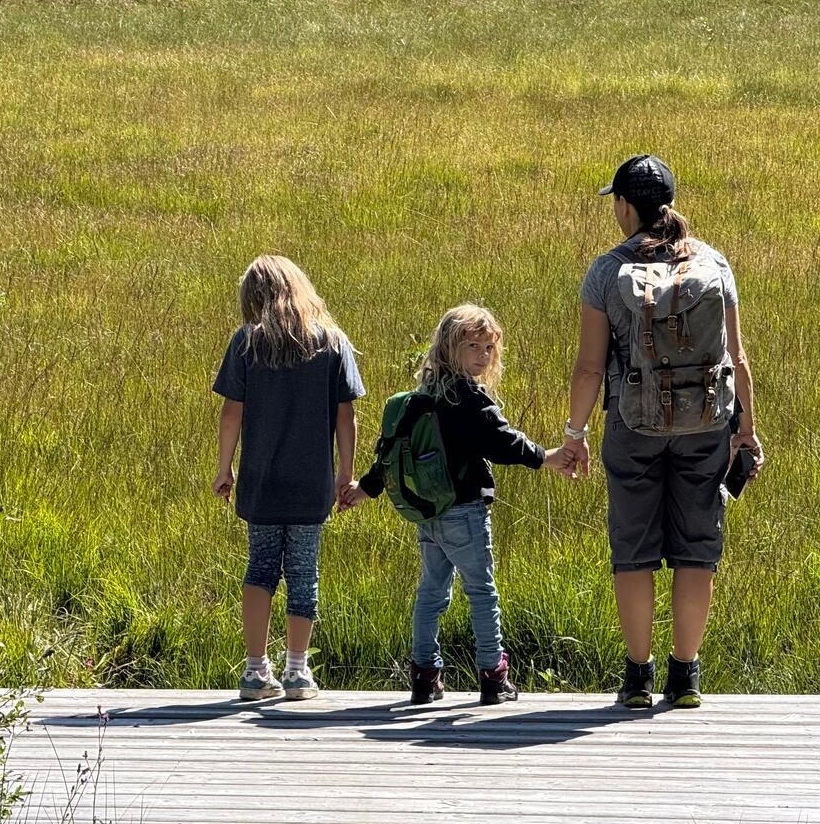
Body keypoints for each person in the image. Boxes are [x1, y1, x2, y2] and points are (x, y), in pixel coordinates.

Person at [556, 155, 761, 709]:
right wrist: (745, 431)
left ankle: (637, 680)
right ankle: (686, 676)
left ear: (625, 207)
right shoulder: (714, 263)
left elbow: (589, 368)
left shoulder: (606, 271)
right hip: (707, 424)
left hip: (632, 425)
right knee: (697, 548)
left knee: (635, 550)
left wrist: (574, 434)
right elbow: (738, 358)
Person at [340, 305, 567, 705]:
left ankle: (425, 676)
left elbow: (390, 452)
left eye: (489, 347)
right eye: (473, 346)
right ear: (449, 348)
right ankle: (493, 675)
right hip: (465, 511)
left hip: (429, 513)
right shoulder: (468, 396)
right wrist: (544, 457)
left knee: (431, 593)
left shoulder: (423, 396)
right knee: (482, 591)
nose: (483, 355)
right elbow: (501, 441)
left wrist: (366, 488)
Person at [213, 255, 365, 702]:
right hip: (311, 483)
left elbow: (231, 413)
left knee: (260, 569)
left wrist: (225, 468)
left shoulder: (246, 342)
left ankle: (255, 670)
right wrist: (345, 473)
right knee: (303, 573)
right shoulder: (332, 342)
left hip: (260, 482)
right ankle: (297, 671)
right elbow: (346, 416)